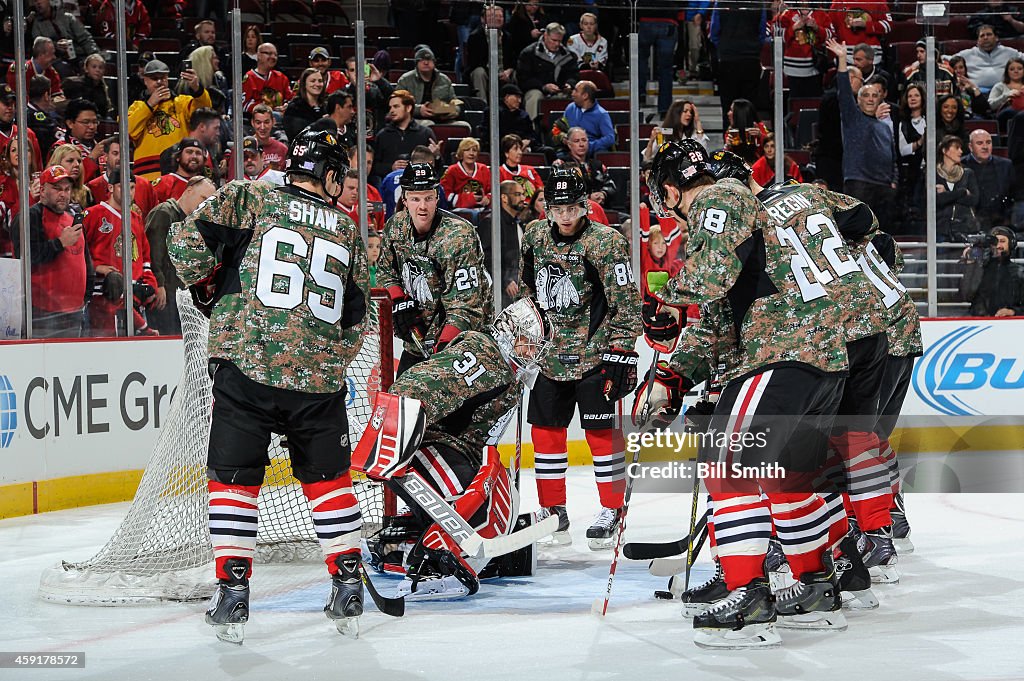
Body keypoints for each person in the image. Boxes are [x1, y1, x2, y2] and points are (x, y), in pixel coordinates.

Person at [646, 140, 851, 648]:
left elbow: (709, 276)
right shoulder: (740, 209)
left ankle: (749, 599)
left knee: (725, 462)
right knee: (787, 480)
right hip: (820, 358)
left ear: (671, 191)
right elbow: (716, 318)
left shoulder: (719, 198)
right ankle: (813, 590)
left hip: (779, 351)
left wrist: (663, 298)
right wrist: (676, 375)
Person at [168, 129, 370, 643]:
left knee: (234, 478)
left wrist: (207, 285)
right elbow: (357, 317)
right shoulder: (347, 230)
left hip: (248, 366)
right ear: (326, 174)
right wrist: (327, 362)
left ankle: (234, 591)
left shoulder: (250, 194)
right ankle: (347, 584)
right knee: (328, 480)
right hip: (319, 381)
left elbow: (185, 244)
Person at [353, 297, 552, 600]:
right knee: (478, 503)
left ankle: (399, 541)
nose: (533, 354)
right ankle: (428, 568)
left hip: (446, 448)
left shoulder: (504, 368)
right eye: (530, 343)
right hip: (429, 444)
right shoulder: (486, 354)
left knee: (494, 493)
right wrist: (398, 419)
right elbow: (431, 379)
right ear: (511, 332)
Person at [518, 165, 641, 549]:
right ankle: (554, 511)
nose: (565, 215)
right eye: (558, 208)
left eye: (572, 207)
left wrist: (623, 353)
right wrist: (525, 333)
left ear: (584, 205)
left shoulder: (606, 242)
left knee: (600, 435)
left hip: (595, 354)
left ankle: (612, 509)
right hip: (549, 354)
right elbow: (528, 284)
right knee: (546, 432)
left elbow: (626, 300)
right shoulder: (535, 235)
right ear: (547, 208)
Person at [377, 162, 492, 373]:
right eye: (415, 199)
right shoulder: (395, 226)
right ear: (404, 200)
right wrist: (399, 301)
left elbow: (465, 305)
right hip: (416, 343)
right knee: (402, 402)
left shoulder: (458, 236)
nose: (423, 206)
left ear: (437, 197)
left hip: (458, 347)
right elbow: (385, 271)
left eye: (428, 198)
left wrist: (442, 351)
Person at [12, 164, 93, 337]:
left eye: (67, 189)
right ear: (42, 191)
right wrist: (60, 243)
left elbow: (85, 258)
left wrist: (86, 294)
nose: (63, 194)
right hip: (43, 312)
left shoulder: (72, 218)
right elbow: (26, 256)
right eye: (57, 189)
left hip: (74, 310)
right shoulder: (30, 216)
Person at [826, 39, 897, 229]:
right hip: (859, 183)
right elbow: (843, 91)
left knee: (884, 233)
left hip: (884, 186)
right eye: (865, 95)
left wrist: (893, 181)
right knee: (858, 233)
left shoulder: (884, 126)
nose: (870, 98)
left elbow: (893, 157)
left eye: (874, 95)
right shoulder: (852, 118)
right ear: (858, 100)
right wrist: (842, 59)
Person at [82, 172, 158, 336]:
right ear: (110, 187)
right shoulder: (93, 214)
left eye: (132, 188)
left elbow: (145, 258)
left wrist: (151, 285)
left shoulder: (136, 219)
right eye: (122, 187)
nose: (128, 192)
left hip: (135, 299)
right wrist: (96, 267)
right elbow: (78, 253)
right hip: (104, 300)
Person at [144, 175, 216, 334]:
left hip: (183, 295)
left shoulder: (195, 222)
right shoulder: (164, 213)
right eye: (203, 198)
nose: (205, 204)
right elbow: (154, 252)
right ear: (189, 190)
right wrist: (159, 283)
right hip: (166, 294)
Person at [128, 59, 210, 181]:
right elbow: (129, 131)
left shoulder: (181, 102)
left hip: (178, 174)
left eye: (163, 78)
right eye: (154, 78)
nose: (160, 82)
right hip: (146, 176)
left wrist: (197, 88)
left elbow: (205, 111)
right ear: (145, 80)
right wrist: (150, 104)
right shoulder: (136, 107)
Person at [710, 1, 769, 122]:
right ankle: (748, 138)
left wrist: (724, 48)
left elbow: (714, 32)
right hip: (750, 59)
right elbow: (762, 33)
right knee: (749, 106)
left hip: (728, 60)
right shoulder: (758, 4)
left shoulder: (720, 3)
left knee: (728, 107)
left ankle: (729, 139)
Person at [516, 23, 580, 122]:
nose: (557, 44)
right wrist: (544, 86)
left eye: (559, 41)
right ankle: (532, 131)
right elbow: (523, 79)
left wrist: (569, 84)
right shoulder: (529, 53)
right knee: (534, 97)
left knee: (573, 97)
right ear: (545, 36)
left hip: (560, 91)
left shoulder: (568, 56)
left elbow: (574, 75)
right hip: (536, 89)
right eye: (554, 40)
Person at [372, 90, 439, 180]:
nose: (391, 111)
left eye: (396, 106)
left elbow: (439, 169)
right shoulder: (382, 135)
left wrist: (436, 156)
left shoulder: (425, 133)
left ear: (408, 108)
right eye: (390, 107)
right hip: (390, 184)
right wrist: (391, 168)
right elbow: (373, 166)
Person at [86, 136, 158, 219]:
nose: (120, 158)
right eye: (115, 153)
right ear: (105, 157)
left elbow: (154, 216)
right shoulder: (93, 186)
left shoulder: (144, 184)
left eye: (124, 153)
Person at [480, 179, 526, 307]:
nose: (523, 198)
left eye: (523, 194)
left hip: (516, 285)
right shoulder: (491, 223)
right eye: (517, 194)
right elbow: (485, 258)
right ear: (504, 198)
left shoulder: (516, 223)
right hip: (499, 291)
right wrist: (505, 281)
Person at [773, 2, 833, 98]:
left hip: (815, 68)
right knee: (795, 102)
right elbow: (777, 36)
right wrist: (793, 28)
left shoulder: (820, 14)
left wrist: (817, 28)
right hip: (792, 68)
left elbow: (831, 35)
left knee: (814, 102)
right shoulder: (787, 14)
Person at [960, 225, 1023, 316]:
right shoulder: (980, 269)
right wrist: (971, 265)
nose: (998, 245)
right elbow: (965, 295)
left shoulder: (1019, 272)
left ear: (1011, 244)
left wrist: (1013, 312)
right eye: (994, 242)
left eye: (1002, 241)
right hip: (979, 323)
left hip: (1008, 324)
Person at [396, 46, 463, 127]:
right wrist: (419, 110)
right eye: (422, 60)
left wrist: (450, 110)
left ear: (434, 62)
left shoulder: (444, 80)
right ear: (416, 63)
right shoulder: (405, 80)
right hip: (414, 118)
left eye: (429, 60)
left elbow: (455, 102)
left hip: (442, 119)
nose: (426, 62)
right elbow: (398, 104)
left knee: (465, 126)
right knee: (428, 124)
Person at [26, 0, 98, 74]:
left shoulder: (67, 17)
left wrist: (95, 55)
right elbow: (39, 46)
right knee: (63, 68)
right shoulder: (37, 25)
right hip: (56, 59)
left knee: (92, 66)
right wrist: (55, 46)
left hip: (78, 54)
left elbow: (85, 38)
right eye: (35, 1)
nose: (38, 3)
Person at [964, 128, 1016, 229]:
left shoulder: (1006, 165)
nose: (985, 147)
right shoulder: (961, 166)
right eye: (980, 143)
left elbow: (1013, 194)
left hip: (1001, 220)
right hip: (970, 221)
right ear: (970, 147)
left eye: (988, 142)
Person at [463, 3, 515, 101]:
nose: (498, 19)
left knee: (517, 75)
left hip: (504, 73)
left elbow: (513, 59)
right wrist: (493, 73)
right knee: (479, 73)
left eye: (500, 16)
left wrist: (509, 71)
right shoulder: (475, 37)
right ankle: (482, 106)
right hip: (485, 72)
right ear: (483, 19)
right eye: (493, 16)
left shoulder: (508, 37)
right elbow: (474, 63)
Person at [952, 24, 1024, 93]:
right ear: (978, 40)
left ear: (996, 38)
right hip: (975, 93)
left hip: (1005, 92)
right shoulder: (966, 54)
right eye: (982, 35)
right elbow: (945, 59)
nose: (985, 38)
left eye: (989, 34)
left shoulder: (1009, 52)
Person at [555, 127, 616, 207]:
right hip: (573, 210)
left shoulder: (598, 165)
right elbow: (559, 191)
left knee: (626, 219)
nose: (581, 144)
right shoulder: (561, 164)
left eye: (584, 140)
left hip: (601, 207)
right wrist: (588, 198)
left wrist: (602, 194)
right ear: (569, 144)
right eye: (577, 141)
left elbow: (611, 186)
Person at [935, 135, 980, 241]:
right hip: (941, 229)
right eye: (956, 148)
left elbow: (974, 200)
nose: (960, 151)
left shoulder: (968, 173)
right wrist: (962, 192)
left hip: (965, 227)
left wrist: (947, 194)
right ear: (945, 150)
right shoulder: (933, 174)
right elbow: (937, 200)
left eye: (961, 148)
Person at [556, 80, 614, 155]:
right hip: (570, 149)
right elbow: (561, 128)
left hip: (591, 151)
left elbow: (609, 138)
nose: (572, 93)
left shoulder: (601, 114)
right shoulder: (570, 108)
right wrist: (563, 138)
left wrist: (588, 146)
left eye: (576, 91)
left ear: (585, 96)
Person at [440, 137, 491, 219]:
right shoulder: (451, 171)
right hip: (459, 211)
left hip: (483, 209)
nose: (471, 153)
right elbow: (445, 195)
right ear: (461, 153)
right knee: (473, 214)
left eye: (474, 150)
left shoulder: (484, 169)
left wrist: (488, 199)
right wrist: (469, 199)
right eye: (467, 150)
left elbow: (492, 191)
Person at [380, 145, 436, 218]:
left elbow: (380, 205)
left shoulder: (389, 178)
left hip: (392, 224)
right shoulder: (432, 182)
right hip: (421, 224)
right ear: (430, 163)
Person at [643, 99, 708, 162]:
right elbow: (647, 159)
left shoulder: (692, 135)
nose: (689, 114)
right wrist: (651, 141)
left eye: (691, 112)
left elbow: (703, 152)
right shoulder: (663, 133)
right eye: (685, 111)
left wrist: (698, 121)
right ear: (676, 113)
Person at [241, 43, 294, 114]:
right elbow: (244, 105)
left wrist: (286, 106)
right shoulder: (249, 78)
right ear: (258, 55)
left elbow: (290, 99)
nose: (273, 57)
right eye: (269, 53)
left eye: (275, 55)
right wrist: (268, 110)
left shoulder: (281, 77)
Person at [154, 138, 207, 203]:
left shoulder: (207, 186)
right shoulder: (164, 183)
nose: (194, 156)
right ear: (178, 157)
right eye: (189, 152)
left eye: (198, 153)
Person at [283, 68, 328, 141]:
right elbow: (296, 133)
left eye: (320, 81)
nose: (317, 84)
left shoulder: (326, 106)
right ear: (304, 84)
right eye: (313, 81)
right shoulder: (295, 107)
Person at [499, 134, 543, 206]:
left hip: (531, 208)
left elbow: (541, 191)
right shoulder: (499, 172)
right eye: (515, 149)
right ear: (506, 153)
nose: (520, 152)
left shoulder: (530, 170)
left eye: (520, 149)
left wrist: (535, 192)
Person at [61, 54, 111, 119]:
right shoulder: (73, 83)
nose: (97, 70)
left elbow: (104, 111)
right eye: (94, 67)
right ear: (86, 69)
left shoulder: (102, 89)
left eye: (100, 67)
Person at [47, 143, 91, 212]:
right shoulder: (46, 191)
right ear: (57, 164)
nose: (76, 165)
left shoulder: (86, 192)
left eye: (79, 161)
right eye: (70, 161)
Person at [722, 98, 767, 163]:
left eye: (731, 110)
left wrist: (761, 137)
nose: (728, 113)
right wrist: (727, 146)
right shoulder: (730, 132)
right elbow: (726, 159)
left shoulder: (759, 127)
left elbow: (772, 148)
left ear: (740, 114)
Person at [249, 104, 288, 171]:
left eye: (266, 122)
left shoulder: (283, 149)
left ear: (273, 122)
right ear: (252, 123)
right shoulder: (243, 148)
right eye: (258, 123)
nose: (262, 127)